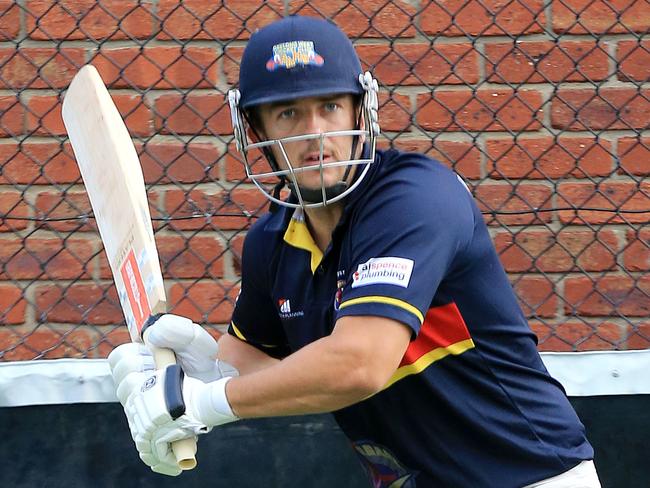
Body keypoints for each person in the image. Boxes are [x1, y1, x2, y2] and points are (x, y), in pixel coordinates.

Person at [108, 15, 601, 487]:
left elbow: (359, 363)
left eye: (330, 106)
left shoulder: (414, 200)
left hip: (530, 476)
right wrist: (197, 373)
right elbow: (259, 367)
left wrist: (208, 402)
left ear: (360, 112)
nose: (316, 133)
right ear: (255, 132)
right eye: (288, 113)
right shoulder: (271, 245)